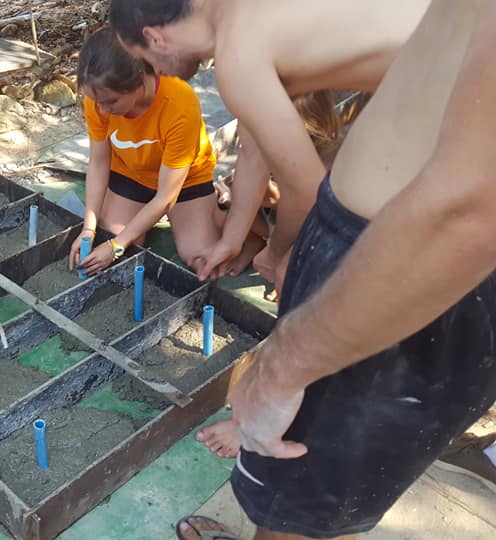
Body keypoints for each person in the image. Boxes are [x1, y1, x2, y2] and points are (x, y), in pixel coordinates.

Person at [160, 1, 496, 538]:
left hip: (404, 260)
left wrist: (280, 370)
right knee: (315, 494)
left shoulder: (241, 51)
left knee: (299, 493)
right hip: (388, 245)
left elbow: (467, 213)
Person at [108, 0, 431, 293]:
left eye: (144, 60)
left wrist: (278, 251)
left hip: (455, 73)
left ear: (154, 38)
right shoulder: (236, 15)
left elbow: (307, 192)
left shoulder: (237, 57)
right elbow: (252, 153)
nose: (156, 73)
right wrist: (233, 239)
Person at [70, 29, 260, 276]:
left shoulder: (179, 103)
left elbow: (165, 197)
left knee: (199, 256)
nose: (102, 110)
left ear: (139, 79)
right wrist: (89, 229)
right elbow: (98, 163)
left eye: (112, 102)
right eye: (97, 102)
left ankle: (245, 231)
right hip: (131, 172)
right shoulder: (98, 97)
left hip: (184, 180)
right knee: (124, 245)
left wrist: (115, 246)